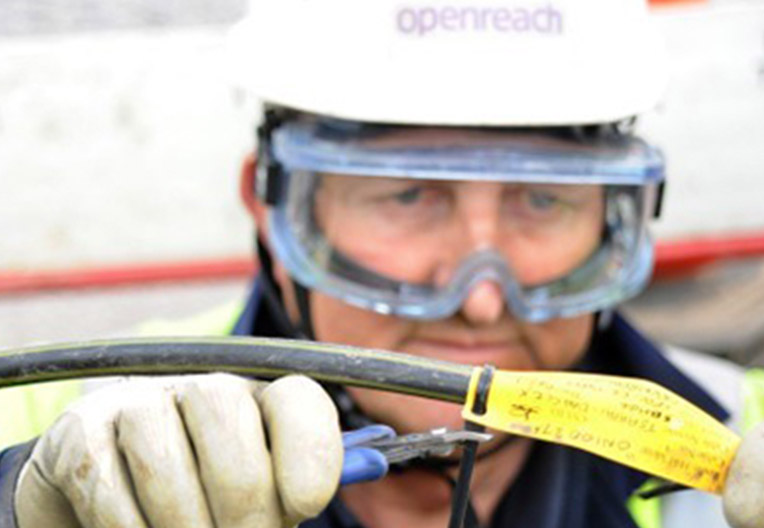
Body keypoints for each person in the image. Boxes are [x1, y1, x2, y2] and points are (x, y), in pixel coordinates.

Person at [2, 0, 764, 527]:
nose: (482, 302)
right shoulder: (47, 409)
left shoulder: (745, 421)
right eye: (406, 197)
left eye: (541, 202)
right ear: (274, 208)